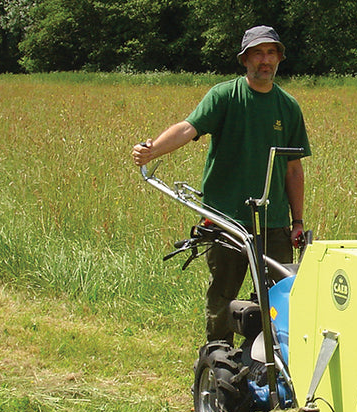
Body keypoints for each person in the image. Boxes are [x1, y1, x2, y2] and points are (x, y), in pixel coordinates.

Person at [132, 25, 311, 344]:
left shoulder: (289, 107)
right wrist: (152, 150)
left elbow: (293, 170)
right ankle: (215, 365)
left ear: (279, 59)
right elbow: (188, 128)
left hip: (274, 222)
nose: (264, 60)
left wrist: (297, 222)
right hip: (226, 219)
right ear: (245, 60)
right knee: (223, 297)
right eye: (257, 53)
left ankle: (262, 370)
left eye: (270, 53)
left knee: (277, 299)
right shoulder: (224, 96)